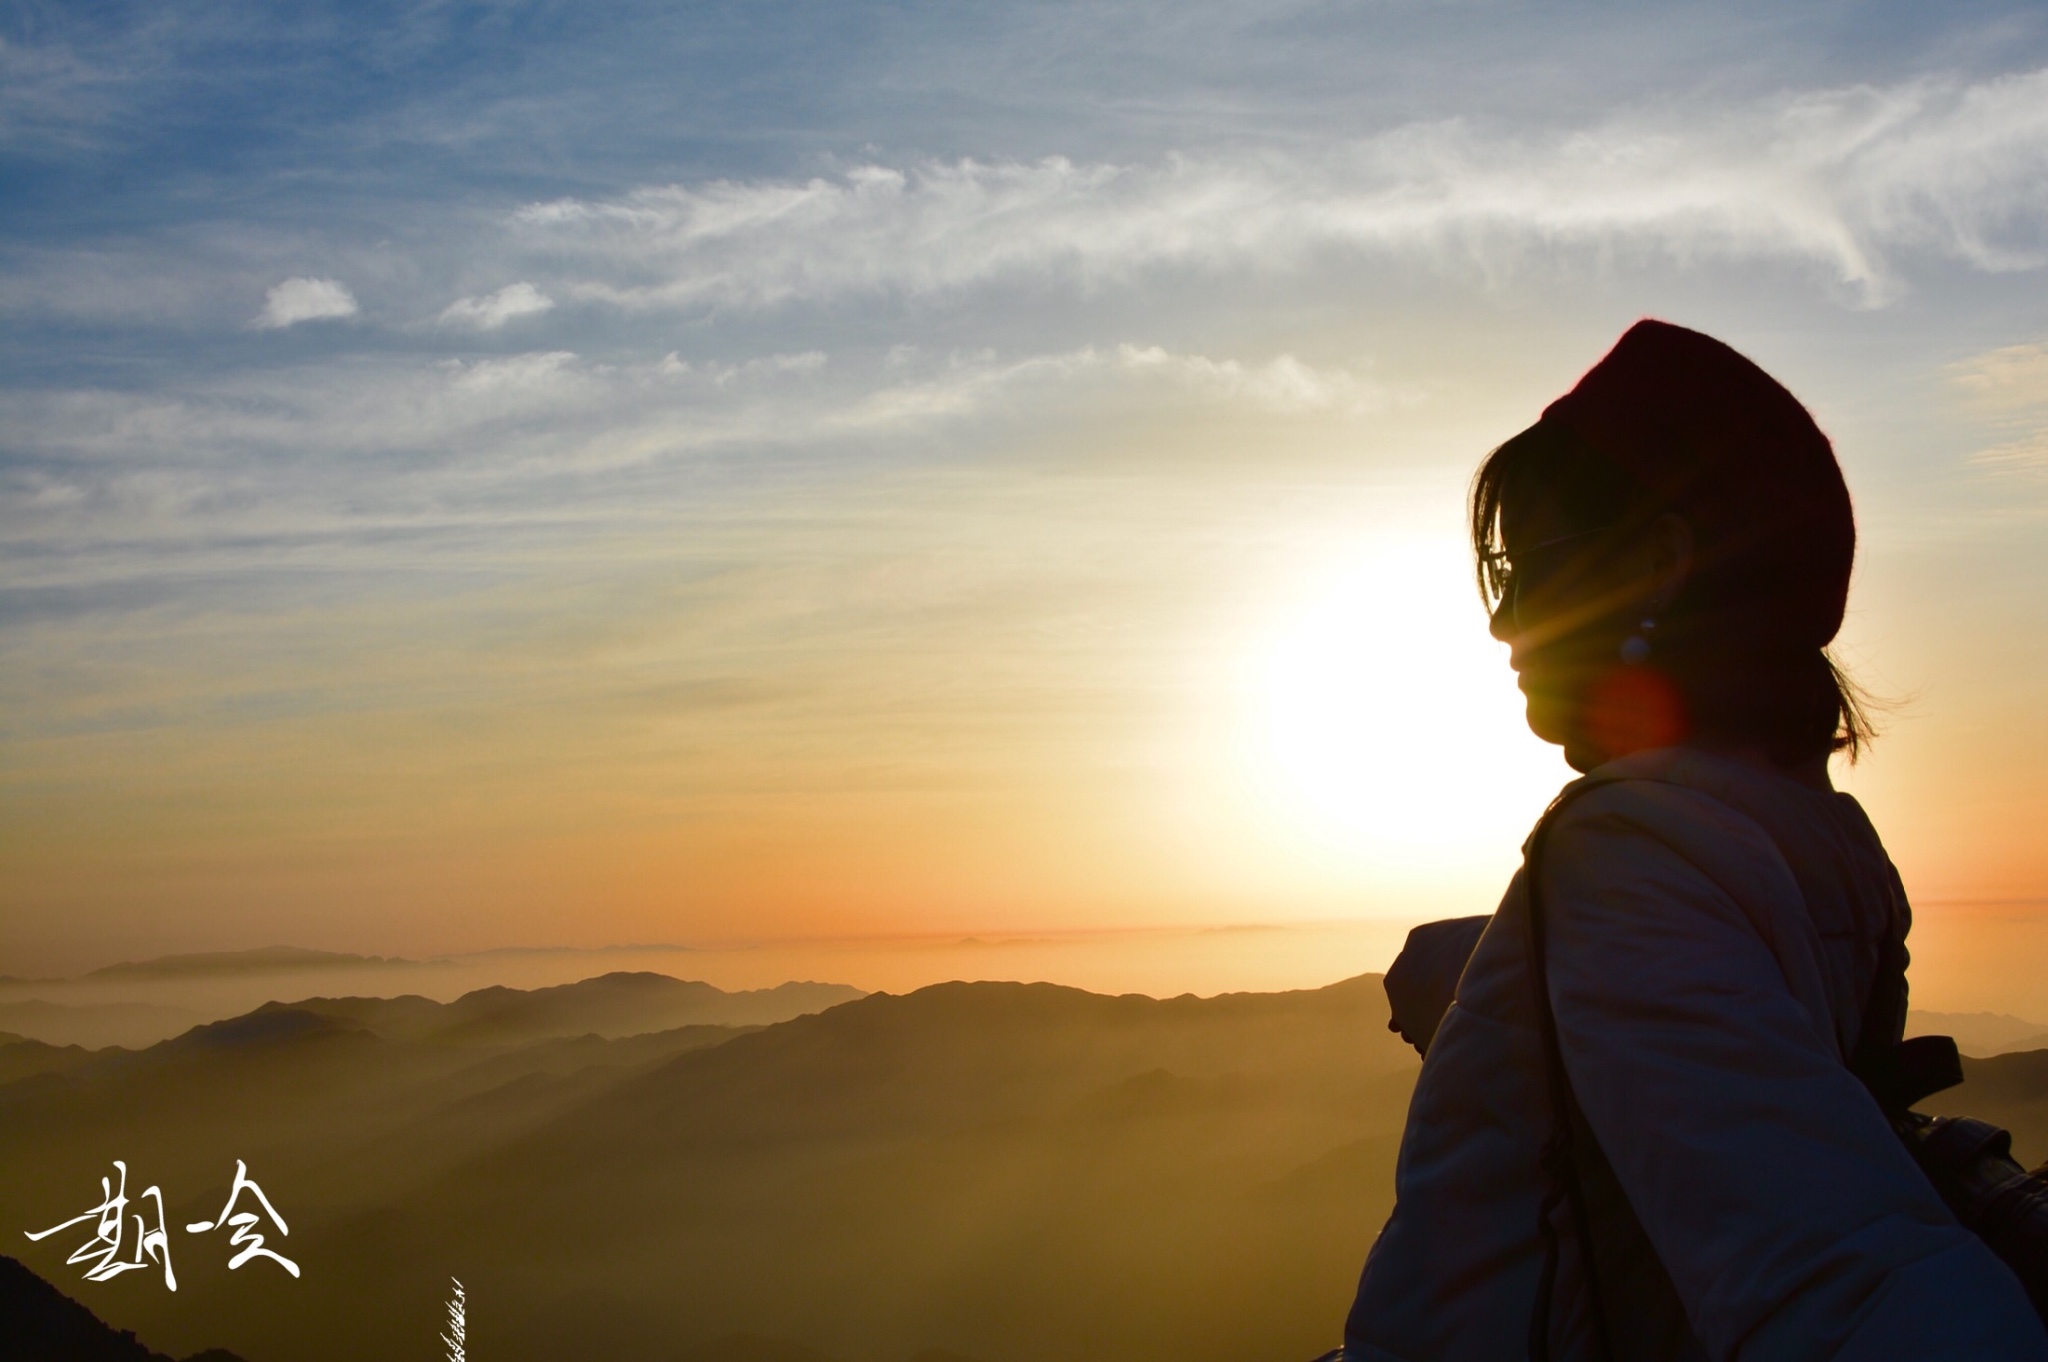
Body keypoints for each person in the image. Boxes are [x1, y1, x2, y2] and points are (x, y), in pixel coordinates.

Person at [1338, 320, 2048, 1361]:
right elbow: (1720, 1039)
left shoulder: (1619, 860)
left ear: (1657, 567)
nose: (1500, 620)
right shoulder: (1828, 845)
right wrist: (1504, 972)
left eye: (1523, 566)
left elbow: (1835, 1273)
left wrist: (1566, 925)